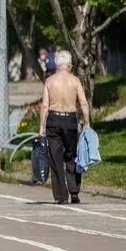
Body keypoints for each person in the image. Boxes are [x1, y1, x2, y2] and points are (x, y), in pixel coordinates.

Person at [38, 49, 90, 205]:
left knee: (55, 158)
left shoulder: (50, 81)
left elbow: (45, 105)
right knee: (72, 155)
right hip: (70, 120)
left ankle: (61, 195)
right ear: (69, 65)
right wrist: (87, 122)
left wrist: (41, 126)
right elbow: (83, 103)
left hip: (53, 120)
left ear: (57, 64)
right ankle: (74, 191)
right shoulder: (75, 81)